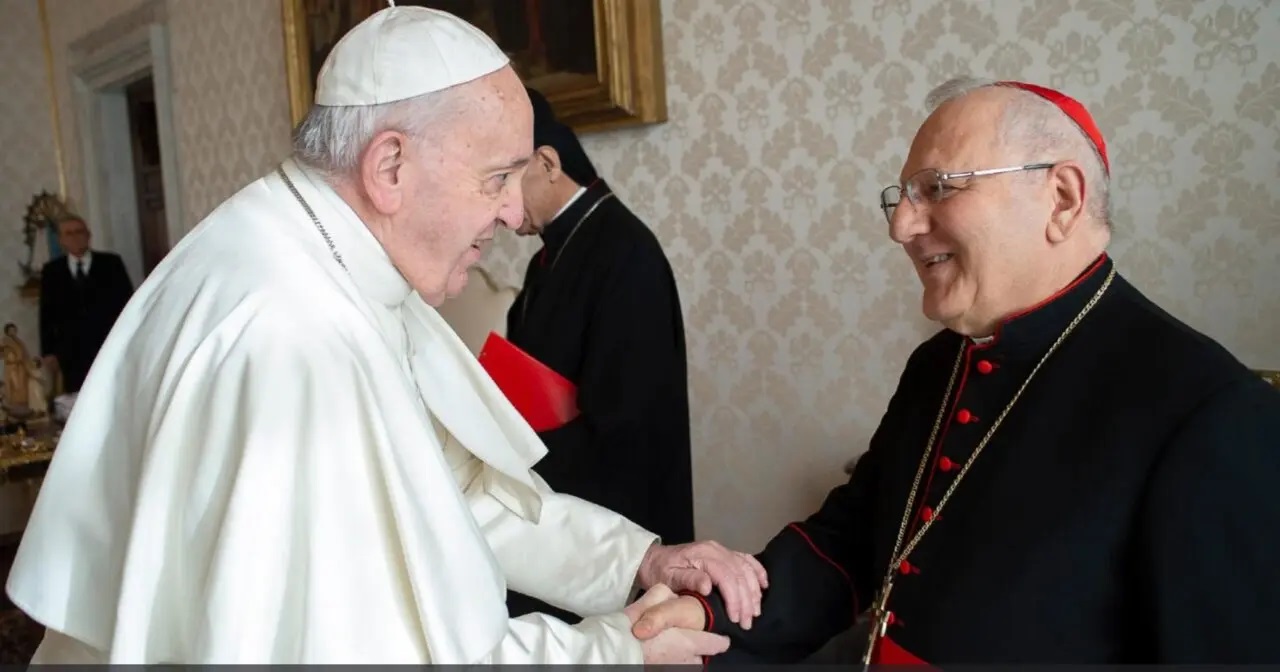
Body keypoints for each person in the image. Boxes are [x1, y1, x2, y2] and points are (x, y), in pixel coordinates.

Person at [4, 6, 766, 664]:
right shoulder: (290, 337)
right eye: (496, 178)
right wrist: (617, 650)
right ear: (390, 166)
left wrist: (639, 559)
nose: (512, 213)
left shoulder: (335, 262)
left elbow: (451, 499)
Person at [630, 76, 1280, 665]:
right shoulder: (940, 363)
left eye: (938, 188)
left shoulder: (1211, 412)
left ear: (1061, 199)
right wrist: (710, 618)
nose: (902, 227)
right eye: (902, 197)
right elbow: (850, 540)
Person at [502, 87, 696, 624]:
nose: (500, 209)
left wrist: (520, 459)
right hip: (555, 508)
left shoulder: (625, 252)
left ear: (547, 163)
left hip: (613, 521)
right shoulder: (547, 258)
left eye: (506, 181)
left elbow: (627, 424)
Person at [38, 215, 134, 394]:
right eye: (69, 233)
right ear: (61, 240)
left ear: (88, 235)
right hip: (71, 351)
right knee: (78, 397)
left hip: (107, 345)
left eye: (79, 232)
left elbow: (127, 305)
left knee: (110, 392)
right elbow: (46, 314)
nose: (75, 237)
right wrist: (48, 352)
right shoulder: (52, 271)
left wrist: (128, 340)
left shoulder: (111, 264)